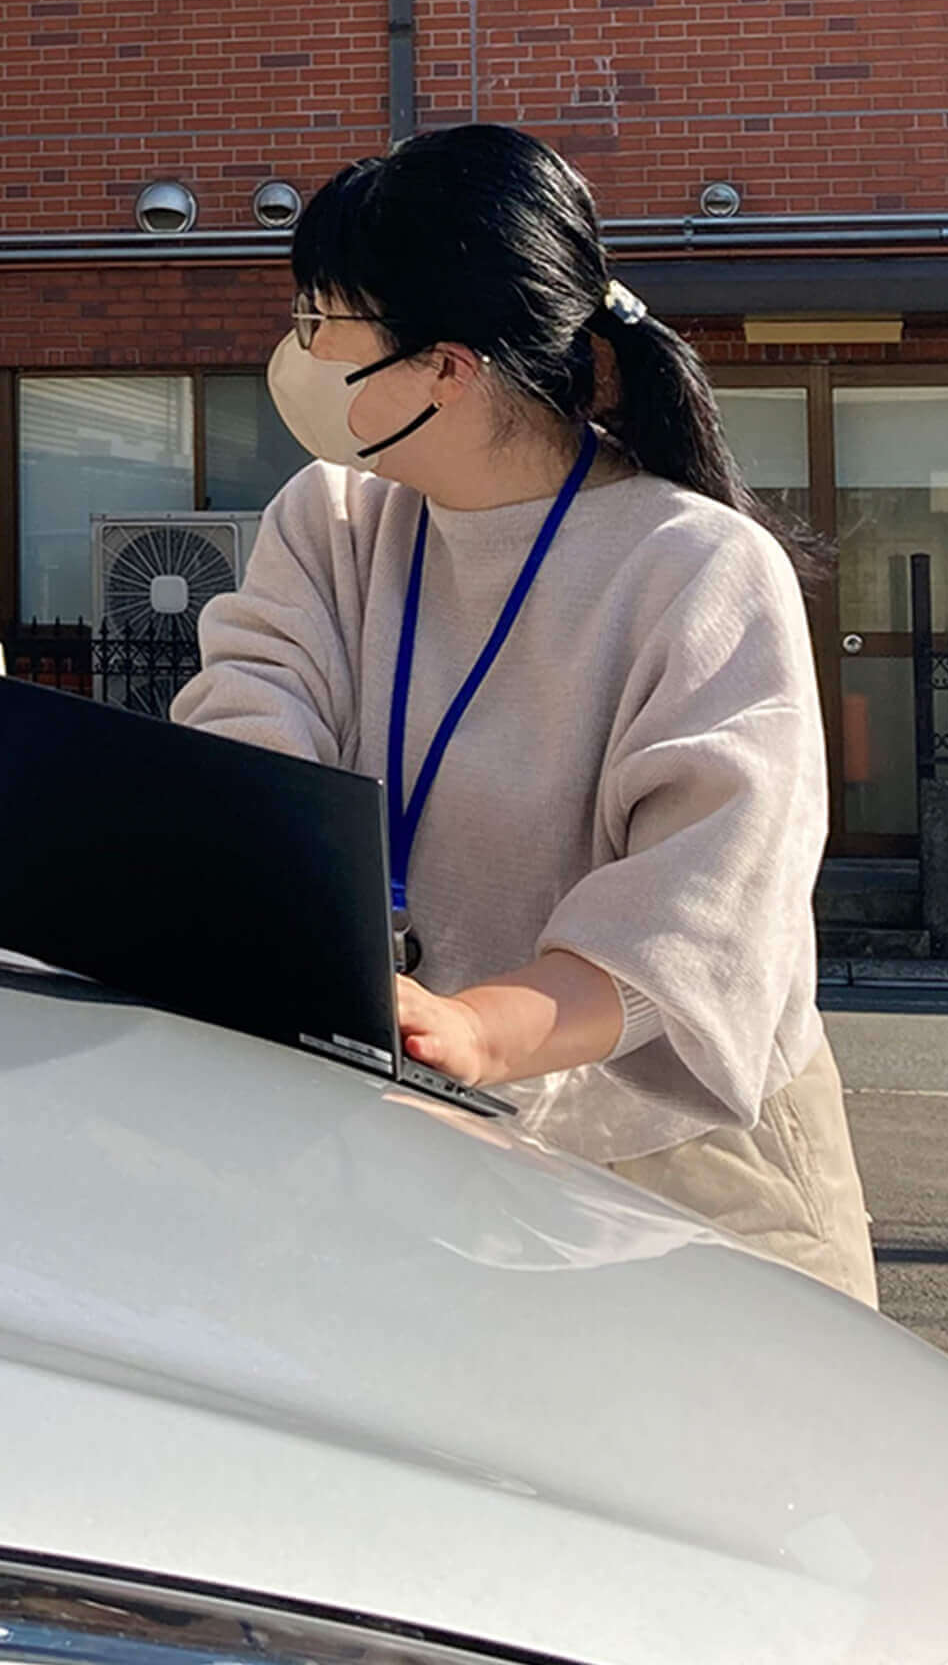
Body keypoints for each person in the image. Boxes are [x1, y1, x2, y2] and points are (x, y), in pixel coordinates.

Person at [172, 123, 878, 1305]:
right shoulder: (333, 519)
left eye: (321, 320)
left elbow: (704, 907)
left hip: (679, 1172)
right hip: (407, 1132)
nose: (294, 349)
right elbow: (248, 718)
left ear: (443, 366)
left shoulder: (693, 564)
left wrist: (483, 1028)